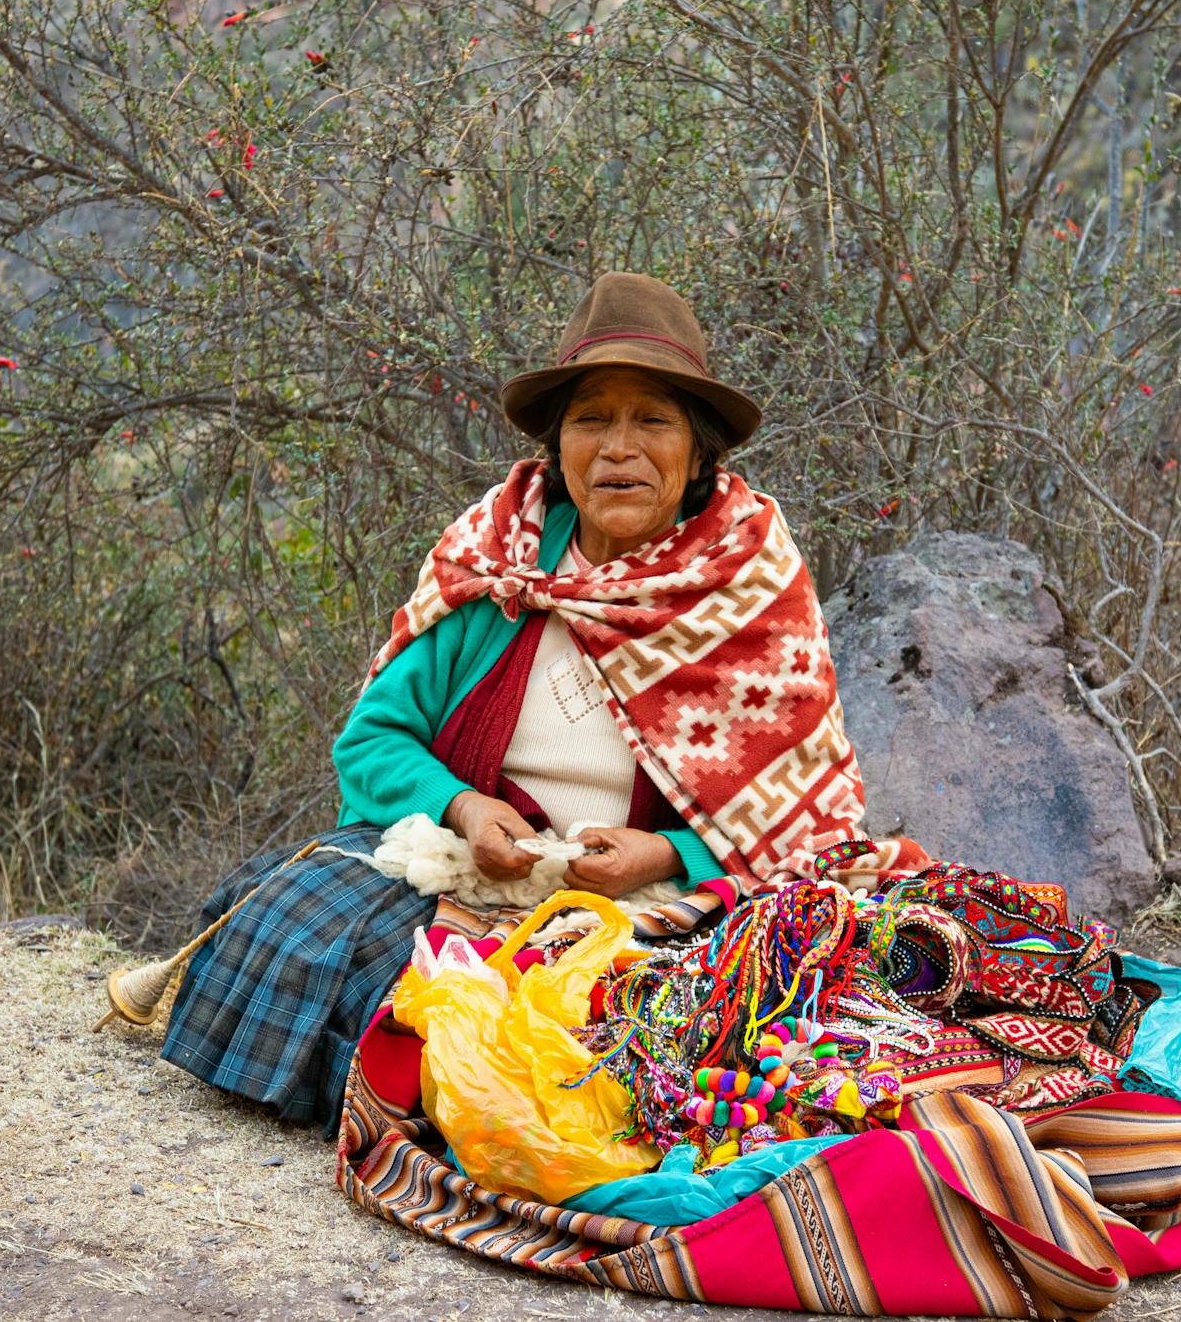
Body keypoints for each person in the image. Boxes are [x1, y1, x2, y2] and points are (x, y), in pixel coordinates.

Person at [160, 271, 912, 1129]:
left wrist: (663, 856)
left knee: (660, 1026)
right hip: (464, 870)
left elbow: (803, 831)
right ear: (558, 446)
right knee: (296, 919)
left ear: (701, 453)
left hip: (658, 911)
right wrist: (467, 808)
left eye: (652, 420)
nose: (618, 448)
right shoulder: (500, 561)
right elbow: (372, 744)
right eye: (591, 418)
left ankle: (463, 1093)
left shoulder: (747, 589)